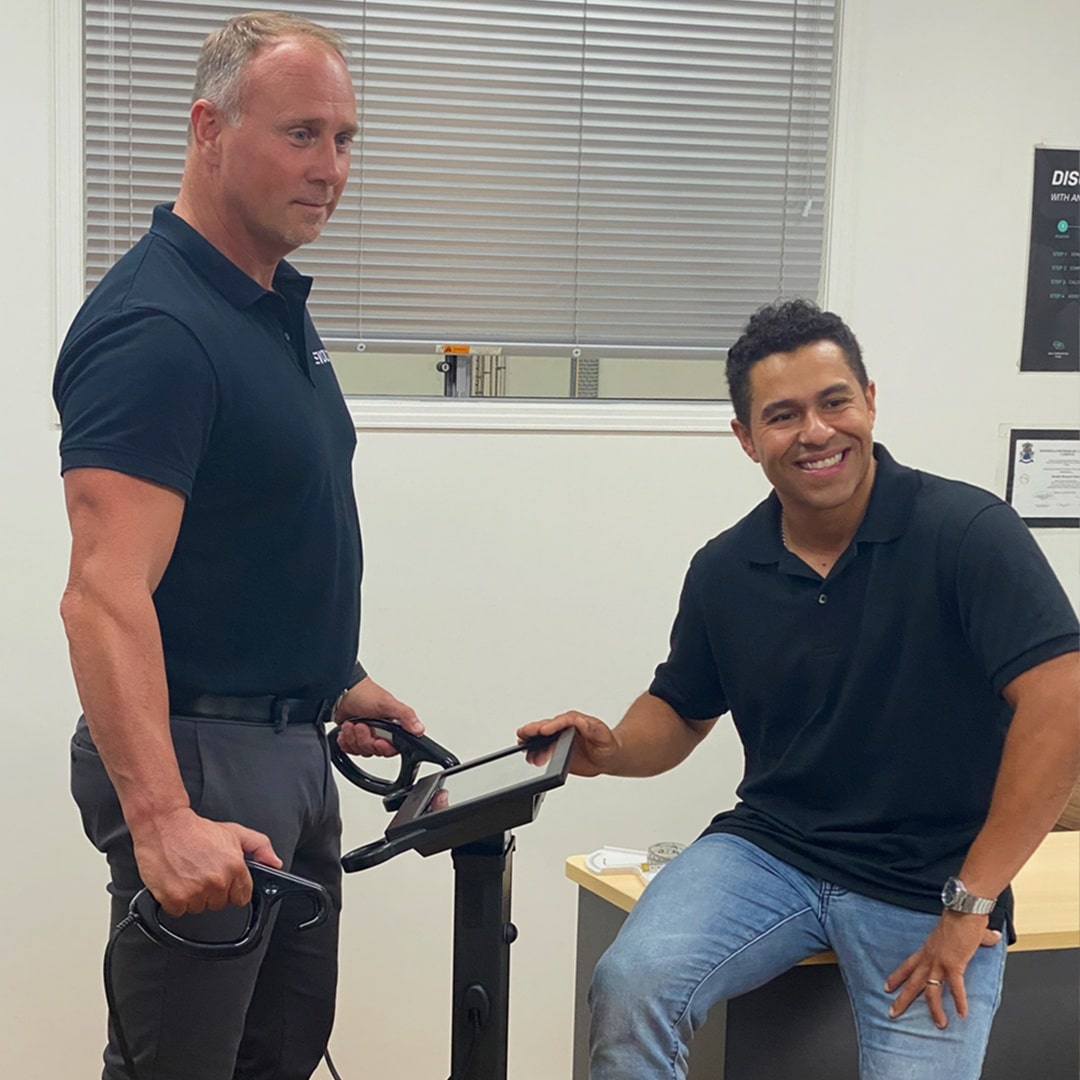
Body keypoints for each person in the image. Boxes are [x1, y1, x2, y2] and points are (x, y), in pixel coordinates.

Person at [518, 299, 1080, 1079]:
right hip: (770, 850)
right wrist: (610, 750)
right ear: (747, 438)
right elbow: (681, 709)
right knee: (630, 982)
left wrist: (971, 902)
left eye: (834, 402)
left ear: (870, 402)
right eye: (782, 416)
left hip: (930, 878)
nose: (815, 432)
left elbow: (1061, 704)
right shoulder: (725, 568)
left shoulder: (967, 534)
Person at [54, 13, 422, 1080]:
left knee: (278, 1059)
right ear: (208, 129)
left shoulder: (266, 307)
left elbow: (248, 526)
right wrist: (162, 817)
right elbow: (103, 592)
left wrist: (331, 678)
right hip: (199, 759)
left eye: (345, 139)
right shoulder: (157, 327)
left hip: (287, 748)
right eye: (302, 134)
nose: (331, 168)